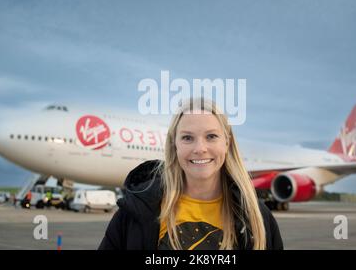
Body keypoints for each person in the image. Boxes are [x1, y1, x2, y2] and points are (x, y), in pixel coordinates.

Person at [99, 98, 283, 250]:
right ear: (174, 145)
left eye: (211, 136)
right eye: (187, 138)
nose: (200, 149)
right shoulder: (135, 212)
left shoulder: (258, 217)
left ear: (227, 143)